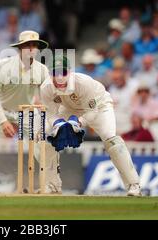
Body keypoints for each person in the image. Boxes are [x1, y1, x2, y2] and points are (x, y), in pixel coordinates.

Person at [40, 55, 142, 196]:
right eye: (55, 73)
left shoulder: (83, 82)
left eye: (63, 72)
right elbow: (51, 114)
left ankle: (133, 185)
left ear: (69, 72)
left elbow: (92, 112)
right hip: (69, 108)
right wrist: (58, 124)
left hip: (99, 106)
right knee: (47, 138)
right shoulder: (46, 87)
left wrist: (76, 122)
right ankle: (53, 185)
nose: (59, 78)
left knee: (111, 140)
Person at [0, 31, 58, 192]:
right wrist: (3, 121)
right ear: (20, 48)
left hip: (26, 112)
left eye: (35, 46)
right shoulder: (3, 66)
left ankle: (51, 184)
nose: (31, 49)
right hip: (1, 111)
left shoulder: (41, 70)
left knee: (40, 144)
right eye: (28, 45)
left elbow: (46, 98)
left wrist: (48, 122)